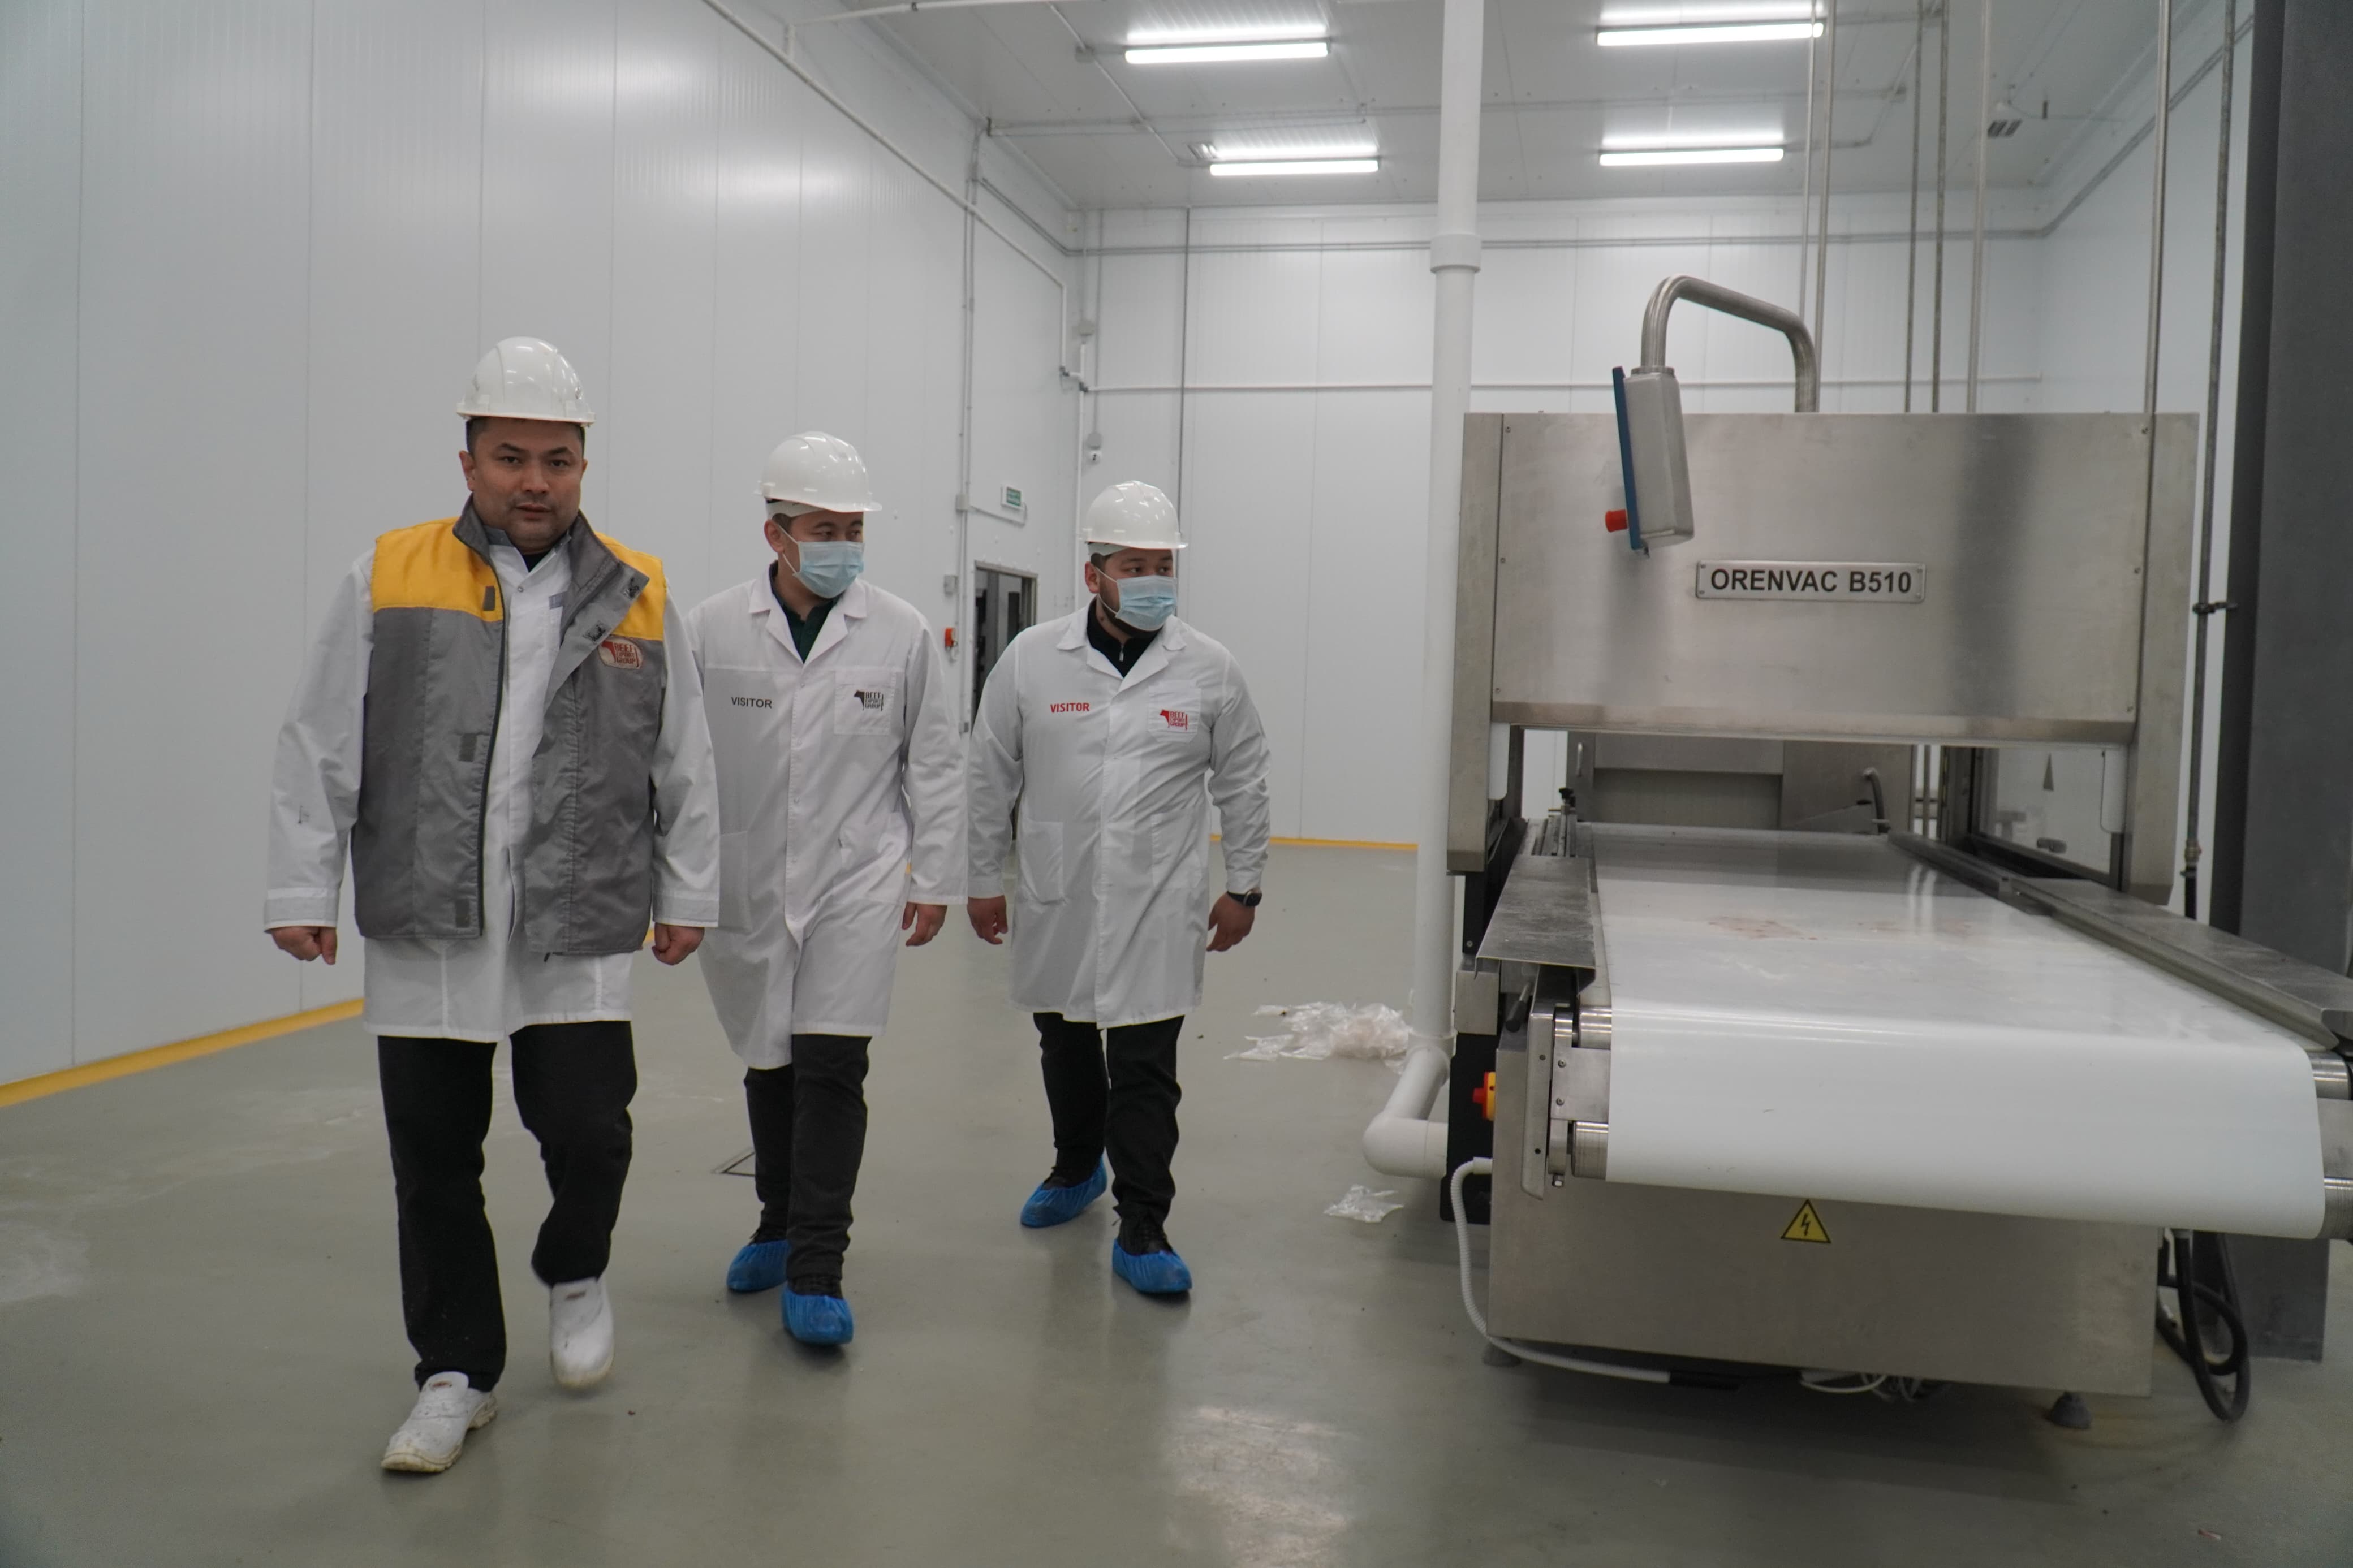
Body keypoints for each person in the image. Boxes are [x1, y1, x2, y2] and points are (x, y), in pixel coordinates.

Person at [264, 338, 719, 1474]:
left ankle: (575, 1265)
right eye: (510, 456)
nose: (534, 481)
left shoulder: (638, 589)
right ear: (467, 461)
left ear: (583, 465)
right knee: (432, 1155)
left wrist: (689, 889)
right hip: (431, 910)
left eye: (557, 460)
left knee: (590, 1131)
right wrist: (302, 884)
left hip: (578, 908)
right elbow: (321, 737)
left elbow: (685, 759)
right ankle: (456, 1372)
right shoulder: (390, 573)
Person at [688, 432, 963, 1346]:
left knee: (834, 1063)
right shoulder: (712, 628)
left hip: (859, 873)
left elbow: (936, 760)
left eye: (854, 529)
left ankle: (816, 1263)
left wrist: (937, 876)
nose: (843, 545)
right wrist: (676, 884)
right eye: (824, 529)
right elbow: (677, 762)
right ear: (776, 533)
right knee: (771, 1059)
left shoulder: (901, 630)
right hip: (747, 875)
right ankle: (774, 1220)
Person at [966, 481, 1271, 1295]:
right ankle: (1076, 1168)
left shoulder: (1209, 668)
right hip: (1057, 890)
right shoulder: (1032, 659)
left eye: (1162, 564)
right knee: (1064, 1043)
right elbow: (989, 775)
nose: (1151, 580)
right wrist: (980, 878)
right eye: (1133, 566)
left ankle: (1144, 1222)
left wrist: (1245, 886)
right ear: (1094, 572)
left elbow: (1244, 780)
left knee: (1144, 1064)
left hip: (1159, 900)